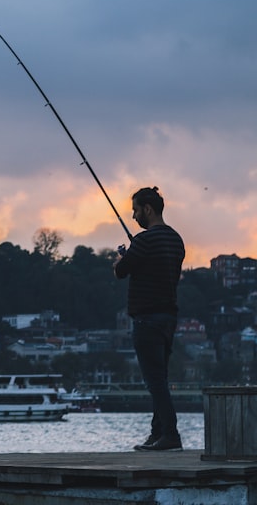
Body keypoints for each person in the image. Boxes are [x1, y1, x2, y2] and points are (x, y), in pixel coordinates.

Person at [114, 186, 185, 452]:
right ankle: (157, 434)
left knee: (154, 381)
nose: (133, 216)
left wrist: (122, 256)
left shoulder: (144, 241)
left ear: (148, 209)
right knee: (161, 378)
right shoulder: (176, 240)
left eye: (135, 210)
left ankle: (170, 435)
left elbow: (121, 271)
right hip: (169, 317)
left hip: (147, 319)